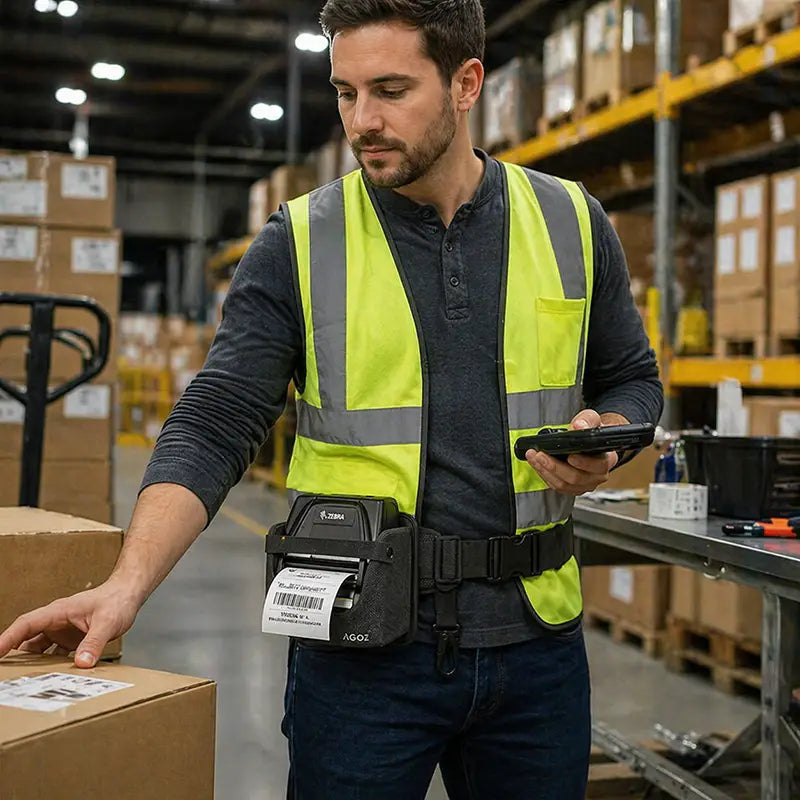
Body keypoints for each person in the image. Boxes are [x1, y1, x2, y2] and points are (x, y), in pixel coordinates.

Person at [0, 1, 663, 797]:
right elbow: (216, 419)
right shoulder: (301, 240)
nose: (362, 121)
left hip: (536, 647)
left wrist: (611, 432)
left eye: (389, 90)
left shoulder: (569, 221)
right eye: (345, 93)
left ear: (466, 82)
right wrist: (125, 583)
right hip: (359, 651)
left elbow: (633, 379)